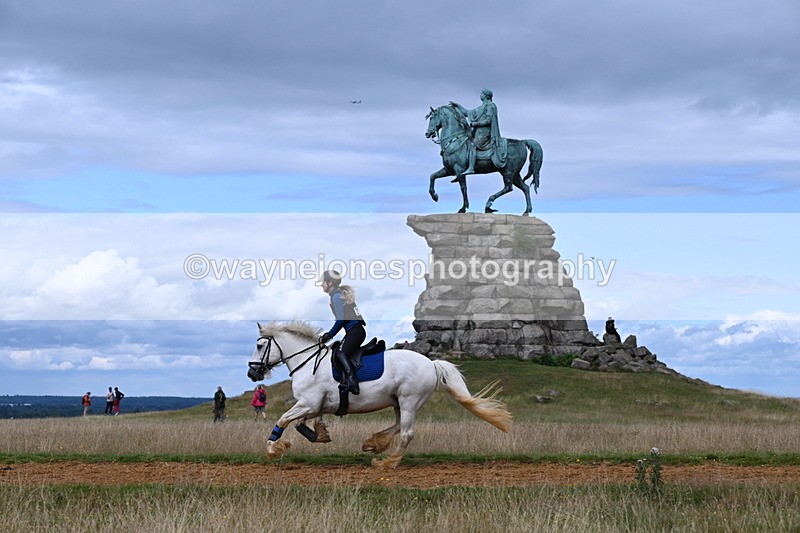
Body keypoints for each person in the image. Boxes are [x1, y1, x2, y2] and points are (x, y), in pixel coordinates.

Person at [318, 270, 366, 395]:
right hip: (355, 331)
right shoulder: (338, 295)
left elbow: (341, 319)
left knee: (340, 352)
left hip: (355, 332)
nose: (321, 285)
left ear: (330, 283)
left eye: (323, 282)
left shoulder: (336, 296)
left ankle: (352, 381)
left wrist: (329, 334)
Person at [449, 88, 507, 174]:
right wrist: (458, 106)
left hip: (485, 133)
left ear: (486, 95)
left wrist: (476, 124)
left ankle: (471, 168)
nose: (480, 95)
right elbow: (467, 113)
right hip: (478, 132)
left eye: (481, 94)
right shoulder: (481, 107)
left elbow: (489, 120)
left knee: (472, 145)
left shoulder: (490, 106)